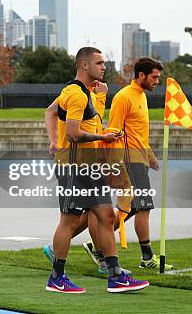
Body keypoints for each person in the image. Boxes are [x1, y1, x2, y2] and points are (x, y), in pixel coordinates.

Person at [44, 47, 148, 293]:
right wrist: (103, 137)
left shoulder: (82, 93)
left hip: (90, 166)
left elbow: (50, 112)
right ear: (84, 66)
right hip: (74, 167)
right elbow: (73, 133)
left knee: (107, 216)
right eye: (100, 63)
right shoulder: (76, 94)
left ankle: (116, 275)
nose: (104, 67)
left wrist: (53, 140)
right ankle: (56, 278)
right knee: (69, 221)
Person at [105, 57, 172, 270]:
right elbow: (112, 132)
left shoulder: (141, 96)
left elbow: (137, 134)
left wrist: (150, 156)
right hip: (128, 161)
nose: (157, 81)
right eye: (154, 77)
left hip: (140, 160)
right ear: (141, 75)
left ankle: (97, 245)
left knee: (132, 209)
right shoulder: (124, 97)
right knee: (143, 208)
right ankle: (147, 258)